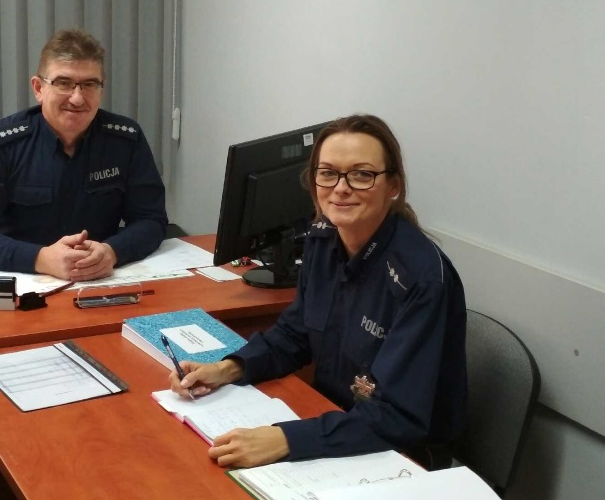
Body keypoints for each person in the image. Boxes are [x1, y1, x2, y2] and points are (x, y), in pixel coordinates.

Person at [170, 114, 467, 470]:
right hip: (335, 422)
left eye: (362, 175)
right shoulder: (323, 238)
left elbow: (398, 418)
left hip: (400, 456)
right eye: (328, 173)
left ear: (393, 186)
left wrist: (286, 440)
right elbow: (296, 334)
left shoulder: (420, 278)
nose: (341, 188)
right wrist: (228, 368)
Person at [0, 28, 168, 281]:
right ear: (38, 88)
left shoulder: (125, 139)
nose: (77, 98)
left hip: (102, 280)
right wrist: (40, 258)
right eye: (64, 83)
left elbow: (151, 219)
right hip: (25, 282)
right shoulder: (0, 143)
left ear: (101, 89)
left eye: (89, 84)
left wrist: (113, 251)